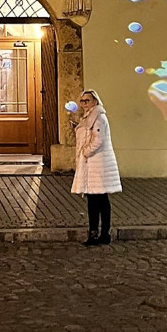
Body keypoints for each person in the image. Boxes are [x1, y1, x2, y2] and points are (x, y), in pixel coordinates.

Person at [70, 89, 121, 245]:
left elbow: (98, 140)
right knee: (99, 200)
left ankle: (97, 234)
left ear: (95, 101)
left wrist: (85, 152)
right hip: (94, 164)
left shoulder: (98, 118)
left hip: (96, 164)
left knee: (96, 200)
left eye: (87, 101)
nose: (84, 104)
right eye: (82, 101)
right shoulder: (90, 117)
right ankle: (102, 233)